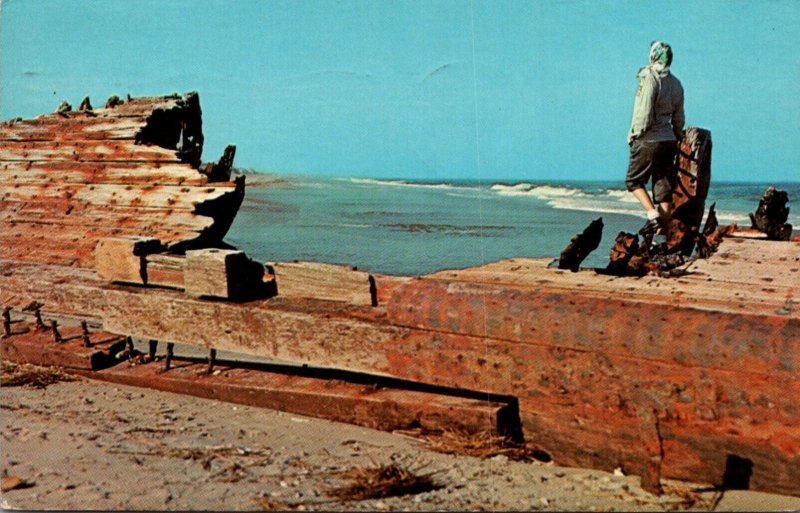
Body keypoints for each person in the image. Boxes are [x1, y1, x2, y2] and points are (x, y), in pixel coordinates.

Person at [626, 41, 685, 237]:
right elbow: (678, 116)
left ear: (653, 56)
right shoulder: (676, 83)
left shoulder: (649, 77)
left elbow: (644, 110)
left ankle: (652, 215)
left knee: (633, 181)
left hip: (648, 139)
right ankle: (660, 237)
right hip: (668, 140)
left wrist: (636, 132)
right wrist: (677, 135)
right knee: (663, 190)